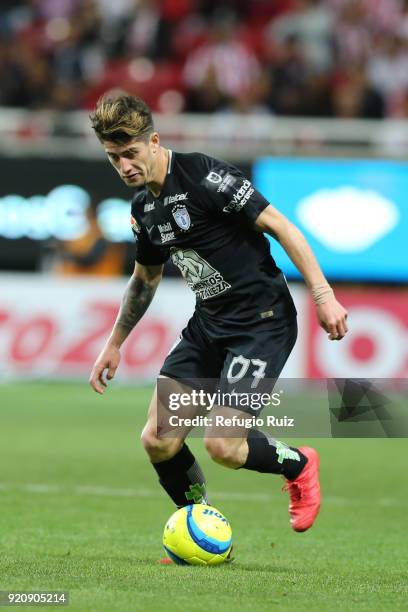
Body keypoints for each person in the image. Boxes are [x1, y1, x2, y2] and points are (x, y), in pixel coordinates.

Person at [88, 93, 348, 547]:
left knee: (223, 446)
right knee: (158, 440)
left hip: (261, 322)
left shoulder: (208, 176)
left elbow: (283, 227)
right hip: (208, 326)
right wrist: (114, 343)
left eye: (130, 153)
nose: (125, 166)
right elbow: (144, 280)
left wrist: (323, 295)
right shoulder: (143, 210)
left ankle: (299, 464)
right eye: (114, 158)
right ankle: (200, 531)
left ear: (153, 140)